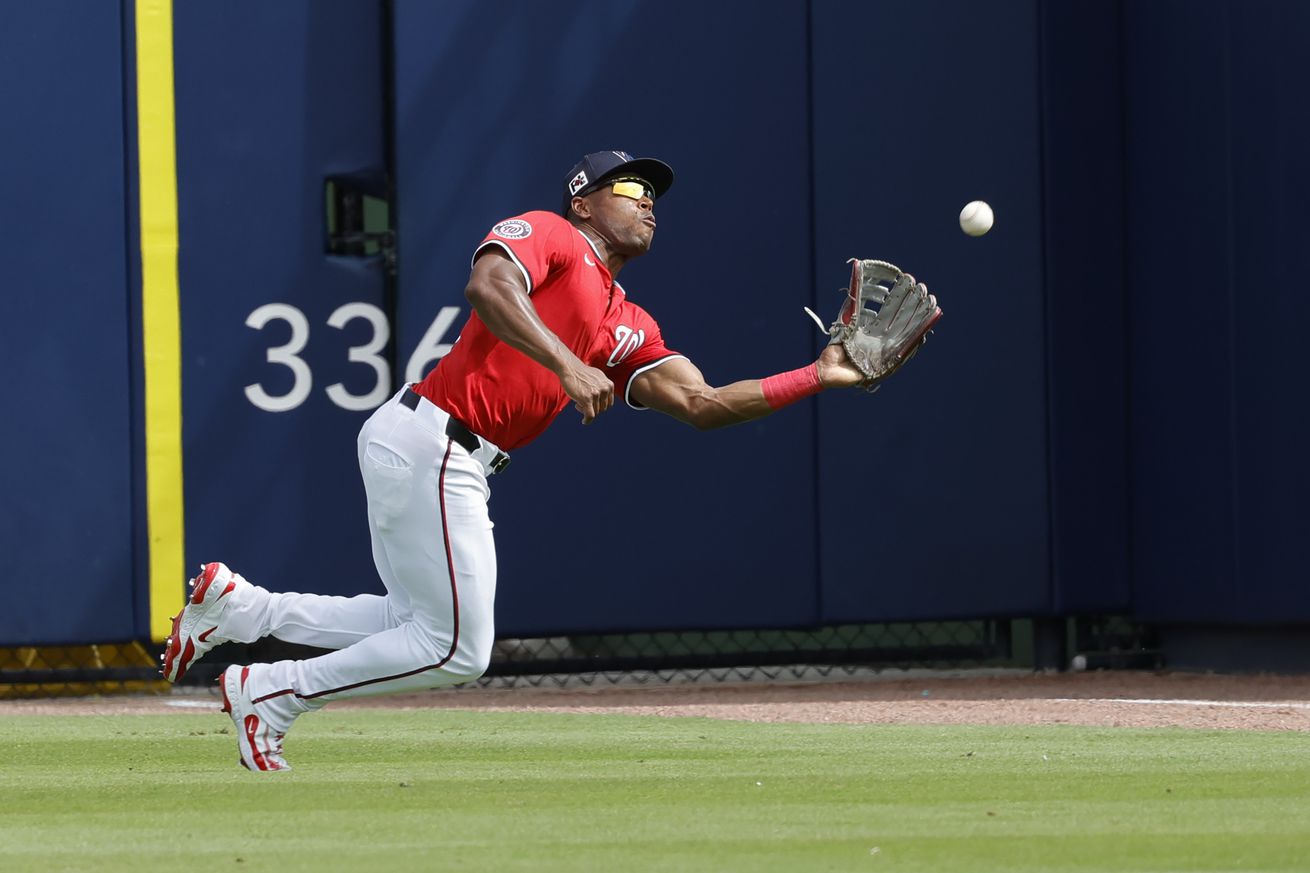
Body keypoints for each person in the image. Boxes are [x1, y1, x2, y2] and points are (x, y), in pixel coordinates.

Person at [162, 150, 904, 771]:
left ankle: (240, 607)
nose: (649, 204)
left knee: (408, 621)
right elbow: (488, 286)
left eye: (655, 197)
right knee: (458, 649)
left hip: (445, 454)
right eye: (632, 189)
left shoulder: (626, 319)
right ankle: (271, 691)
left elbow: (704, 403)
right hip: (436, 438)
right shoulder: (551, 233)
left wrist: (820, 374)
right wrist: (565, 364)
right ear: (584, 201)